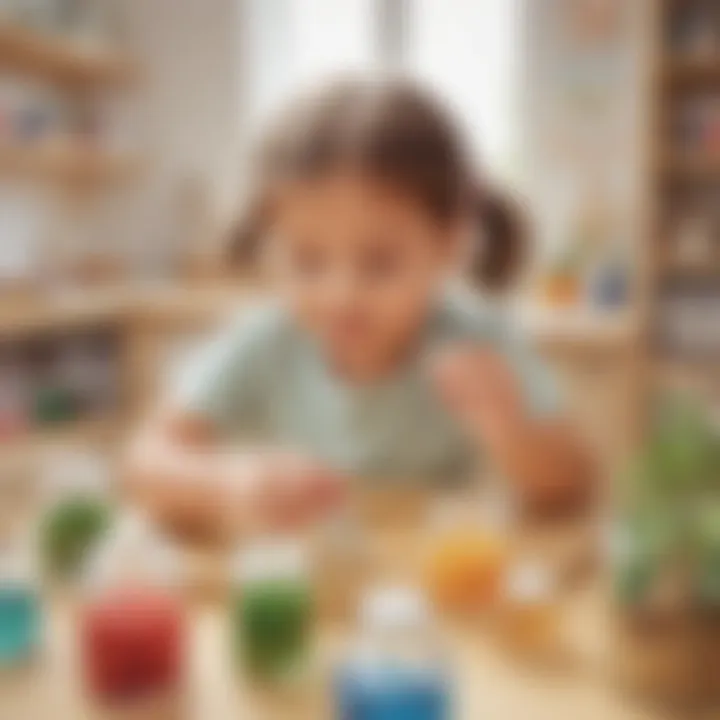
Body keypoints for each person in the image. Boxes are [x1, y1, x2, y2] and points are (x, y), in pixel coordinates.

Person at [127, 78, 593, 534]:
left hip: (429, 590)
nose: (340, 294)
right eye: (307, 261)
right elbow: (145, 462)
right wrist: (228, 482)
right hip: (306, 589)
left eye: (379, 263)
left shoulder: (479, 340)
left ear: (450, 243)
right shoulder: (266, 341)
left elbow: (574, 485)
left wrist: (510, 429)